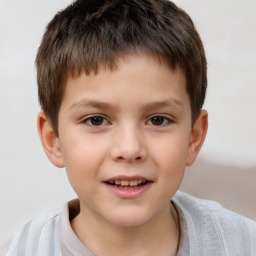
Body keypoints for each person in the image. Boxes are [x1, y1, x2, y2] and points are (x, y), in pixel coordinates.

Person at [1, 0, 256, 255]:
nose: (130, 148)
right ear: (53, 139)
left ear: (194, 137)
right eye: (96, 120)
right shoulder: (22, 250)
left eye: (158, 120)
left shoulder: (242, 245)